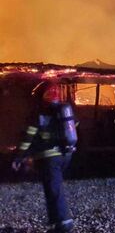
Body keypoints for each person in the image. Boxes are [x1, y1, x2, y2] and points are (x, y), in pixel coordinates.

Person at [12, 80, 77, 233]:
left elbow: (28, 138)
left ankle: (64, 223)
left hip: (49, 157)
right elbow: (74, 126)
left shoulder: (38, 113)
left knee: (53, 189)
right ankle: (56, 224)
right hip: (65, 155)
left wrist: (19, 157)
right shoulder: (64, 110)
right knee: (53, 188)